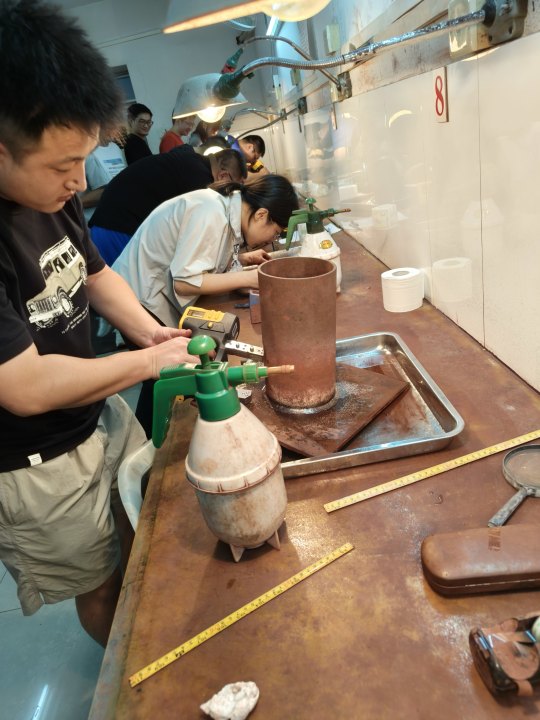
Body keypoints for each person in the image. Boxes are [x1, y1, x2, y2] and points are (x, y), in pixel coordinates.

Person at [0, 0, 195, 647]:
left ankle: (151, 642)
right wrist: (146, 363)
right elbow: (23, 386)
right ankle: (128, 677)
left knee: (140, 532)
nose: (79, 182)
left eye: (83, 159)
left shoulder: (48, 195)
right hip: (35, 460)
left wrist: (147, 331)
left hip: (93, 410)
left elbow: (94, 273)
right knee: (101, 581)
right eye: (63, 167)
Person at [113, 174, 299, 435]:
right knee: (164, 379)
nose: (270, 240)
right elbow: (185, 282)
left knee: (165, 377)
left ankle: (155, 437)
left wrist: (241, 260)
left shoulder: (225, 211)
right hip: (139, 299)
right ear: (261, 215)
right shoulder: (210, 210)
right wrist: (249, 278)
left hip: (151, 295)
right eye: (275, 232)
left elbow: (205, 259)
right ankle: (152, 442)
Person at [89, 145, 247, 266]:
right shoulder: (199, 179)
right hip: (116, 228)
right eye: (234, 187)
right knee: (121, 293)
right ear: (223, 176)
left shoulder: (192, 163)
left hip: (111, 222)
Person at [80, 133, 127, 223]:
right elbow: (104, 191)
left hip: (114, 217)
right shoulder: (87, 150)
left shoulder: (115, 147)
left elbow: (123, 179)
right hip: (90, 221)